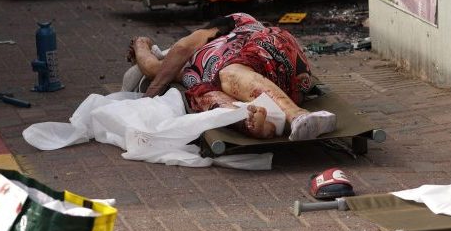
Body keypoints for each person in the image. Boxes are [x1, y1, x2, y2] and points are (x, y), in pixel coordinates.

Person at [124, 13, 336, 141]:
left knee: (229, 73)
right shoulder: (183, 72)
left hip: (273, 54)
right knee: (204, 97)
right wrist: (140, 43)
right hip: (254, 92)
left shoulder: (235, 23)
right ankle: (259, 126)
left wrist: (146, 101)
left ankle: (298, 116)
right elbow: (152, 67)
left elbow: (182, 47)